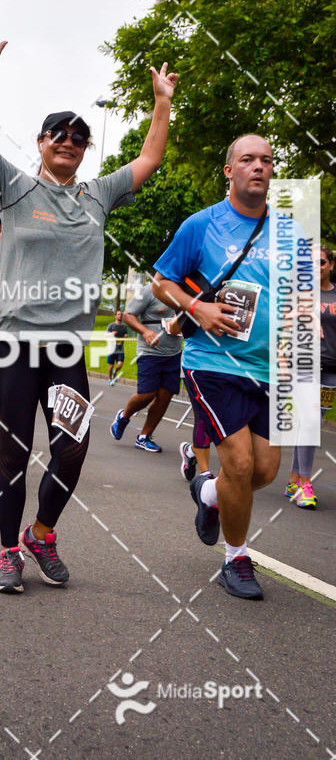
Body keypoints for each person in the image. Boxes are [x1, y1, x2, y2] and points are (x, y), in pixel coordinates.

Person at [0, 22, 177, 593]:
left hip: (65, 349)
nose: (69, 142)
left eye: (79, 138)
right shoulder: (13, 188)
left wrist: (162, 102)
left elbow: (150, 157)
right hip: (12, 345)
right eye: (58, 134)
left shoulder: (98, 195)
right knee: (14, 452)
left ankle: (41, 534)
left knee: (73, 449)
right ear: (41, 142)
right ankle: (9, 552)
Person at [153, 134, 278, 600]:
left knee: (264, 471)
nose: (258, 167)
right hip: (213, 361)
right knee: (240, 463)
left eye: (266, 160)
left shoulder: (288, 231)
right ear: (229, 170)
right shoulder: (202, 224)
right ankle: (236, 559)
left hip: (269, 368)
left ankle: (208, 494)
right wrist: (197, 308)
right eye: (248, 159)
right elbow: (161, 283)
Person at [284, 244, 336, 509]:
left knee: (309, 424)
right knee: (311, 422)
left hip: (331, 371)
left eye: (322, 262)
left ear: (331, 265)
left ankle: (293, 479)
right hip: (304, 366)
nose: (317, 267)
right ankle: (305, 483)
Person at [110, 282, 183, 451]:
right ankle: (124, 416)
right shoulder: (149, 290)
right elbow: (128, 315)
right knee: (147, 394)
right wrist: (145, 331)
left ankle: (144, 437)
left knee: (165, 395)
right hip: (150, 352)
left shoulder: (186, 292)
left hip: (174, 352)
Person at [106, 310, 128, 384]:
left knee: (120, 365)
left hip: (120, 349)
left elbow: (125, 335)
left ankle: (115, 371)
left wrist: (126, 336)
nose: (120, 316)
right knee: (111, 365)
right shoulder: (111, 325)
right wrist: (111, 333)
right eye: (118, 314)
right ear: (115, 316)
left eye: (121, 314)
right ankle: (110, 379)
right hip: (112, 349)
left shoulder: (124, 326)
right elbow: (105, 335)